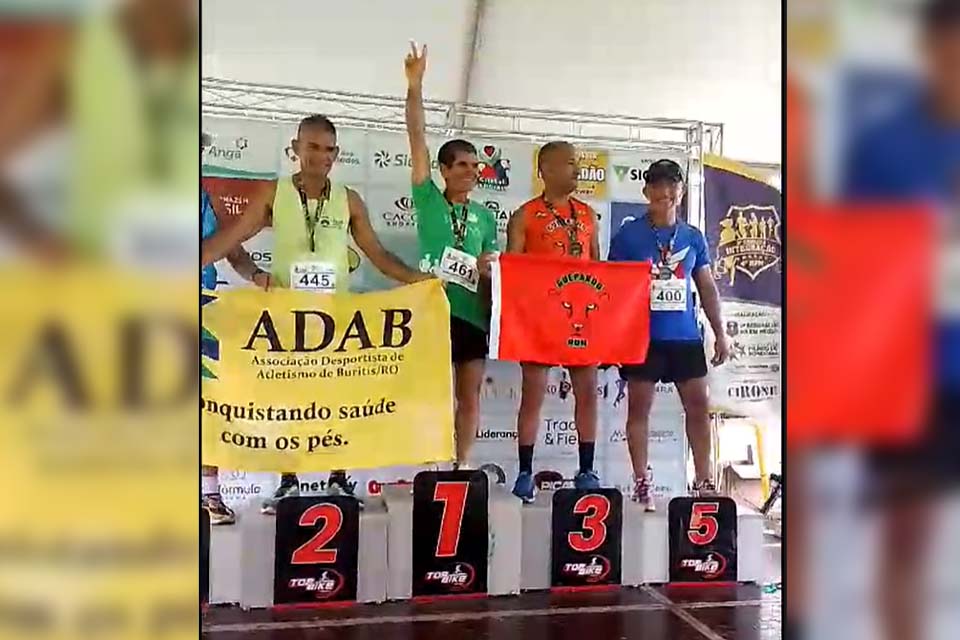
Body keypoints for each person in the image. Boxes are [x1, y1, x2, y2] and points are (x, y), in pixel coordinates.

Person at [204, 113, 430, 515]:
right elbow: (231, 238)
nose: (319, 156)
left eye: (327, 150)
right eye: (311, 147)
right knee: (289, 402)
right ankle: (288, 482)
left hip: (333, 320)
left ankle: (338, 477)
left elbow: (378, 255)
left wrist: (420, 281)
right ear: (295, 149)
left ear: (336, 155)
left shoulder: (349, 200)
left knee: (336, 399)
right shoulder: (273, 193)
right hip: (285, 320)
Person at [834, 2, 960, 639]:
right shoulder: (882, 147)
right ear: (929, 52)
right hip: (910, 371)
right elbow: (853, 264)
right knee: (906, 535)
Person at [607, 159, 729, 510]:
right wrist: (613, 337)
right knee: (639, 409)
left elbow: (706, 286)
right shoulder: (628, 235)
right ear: (646, 191)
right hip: (643, 337)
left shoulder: (692, 236)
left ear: (681, 190)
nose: (665, 192)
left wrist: (720, 332)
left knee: (698, 407)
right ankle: (641, 481)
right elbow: (612, 288)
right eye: (658, 185)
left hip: (685, 336)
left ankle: (703, 480)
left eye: (672, 185)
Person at [403, 42, 499, 465]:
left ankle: (462, 464)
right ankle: (433, 463)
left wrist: (489, 269)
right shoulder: (427, 198)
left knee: (469, 396)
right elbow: (417, 138)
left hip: (472, 314)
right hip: (434, 312)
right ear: (443, 170)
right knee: (435, 394)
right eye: (462, 165)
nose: (471, 171)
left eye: (475, 166)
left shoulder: (486, 216)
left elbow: (493, 268)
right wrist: (415, 86)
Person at [505, 141, 601, 502]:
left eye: (577, 163)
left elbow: (599, 270)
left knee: (587, 393)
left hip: (581, 317)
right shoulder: (525, 215)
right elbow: (512, 271)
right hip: (540, 320)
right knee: (533, 395)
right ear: (546, 169)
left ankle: (586, 469)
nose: (577, 170)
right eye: (570, 163)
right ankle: (525, 472)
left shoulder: (588, 215)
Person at [200, 132, 270, 525]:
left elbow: (233, 250)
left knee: (208, 402)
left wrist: (258, 275)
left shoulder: (204, 199)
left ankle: (209, 493)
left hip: (204, 310)